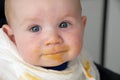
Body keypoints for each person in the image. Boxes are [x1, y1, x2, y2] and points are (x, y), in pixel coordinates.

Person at [0, 0, 119, 80]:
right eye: (35, 28)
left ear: (82, 26)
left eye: (64, 25)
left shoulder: (83, 63)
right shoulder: (7, 71)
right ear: (12, 37)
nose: (53, 39)